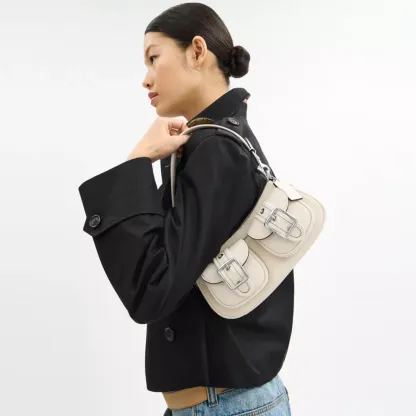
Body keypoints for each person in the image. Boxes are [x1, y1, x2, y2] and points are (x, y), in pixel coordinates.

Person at [78, 3, 294, 415]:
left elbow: (152, 289)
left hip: (227, 406)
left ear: (197, 51)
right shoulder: (213, 141)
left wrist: (136, 162)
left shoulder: (216, 149)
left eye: (154, 58)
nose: (146, 78)